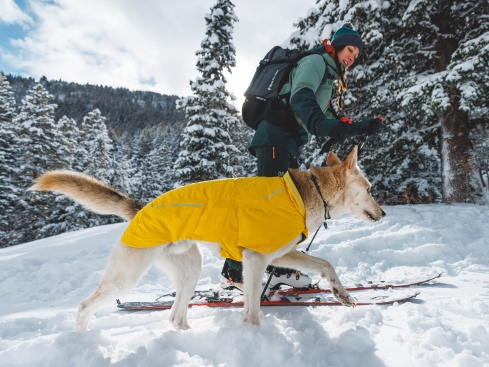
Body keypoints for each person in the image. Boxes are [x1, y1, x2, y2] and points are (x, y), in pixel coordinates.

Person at [220, 22, 383, 292]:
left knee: (289, 209)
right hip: (274, 138)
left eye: (357, 53)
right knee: (270, 207)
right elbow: (301, 99)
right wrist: (325, 125)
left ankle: (279, 267)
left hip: (287, 143)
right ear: (338, 46)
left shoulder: (329, 76)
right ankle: (235, 270)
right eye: (350, 49)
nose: (353, 56)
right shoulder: (315, 62)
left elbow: (330, 119)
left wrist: (363, 125)